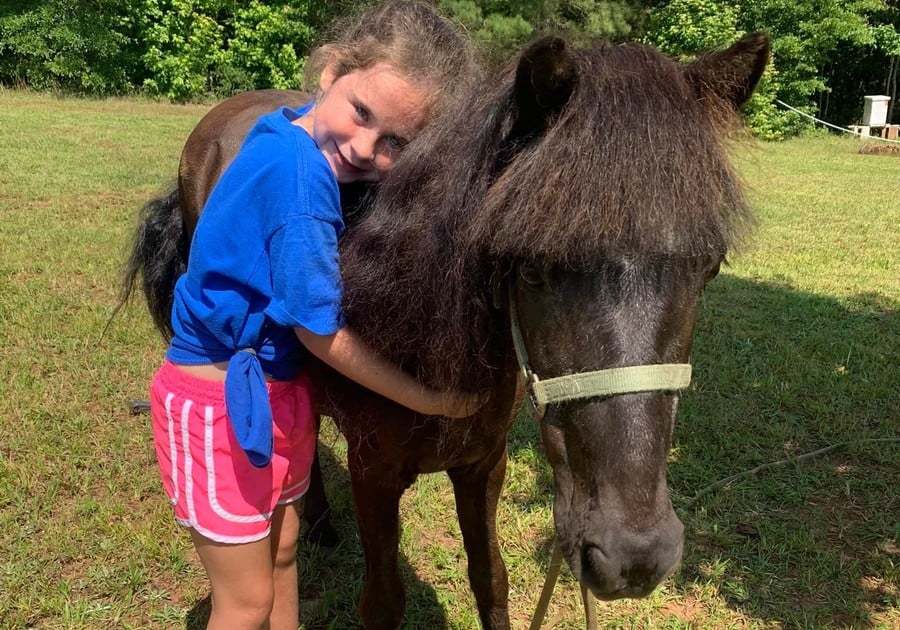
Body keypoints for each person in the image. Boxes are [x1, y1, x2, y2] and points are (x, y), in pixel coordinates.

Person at [148, 2, 479, 628]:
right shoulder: (303, 185)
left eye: (395, 143)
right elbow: (318, 330)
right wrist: (429, 401)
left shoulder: (283, 128)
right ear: (328, 73)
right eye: (361, 114)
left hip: (272, 395)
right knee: (244, 602)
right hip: (222, 404)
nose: (363, 148)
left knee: (283, 553)